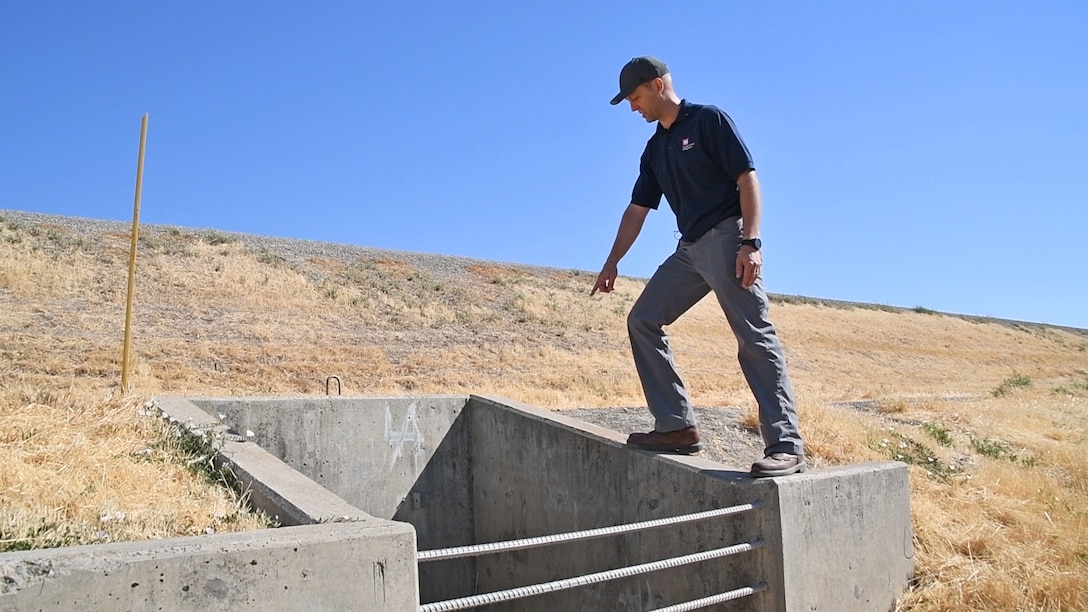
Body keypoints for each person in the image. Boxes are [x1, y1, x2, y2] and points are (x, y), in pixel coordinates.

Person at [591, 56, 805, 478]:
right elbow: (637, 210)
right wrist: (612, 261)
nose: (634, 108)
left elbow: (748, 178)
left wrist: (751, 242)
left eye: (635, 98)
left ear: (656, 85)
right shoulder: (655, 150)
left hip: (728, 239)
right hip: (689, 250)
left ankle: (786, 445)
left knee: (753, 336)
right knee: (643, 319)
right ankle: (676, 426)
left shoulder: (708, 120)